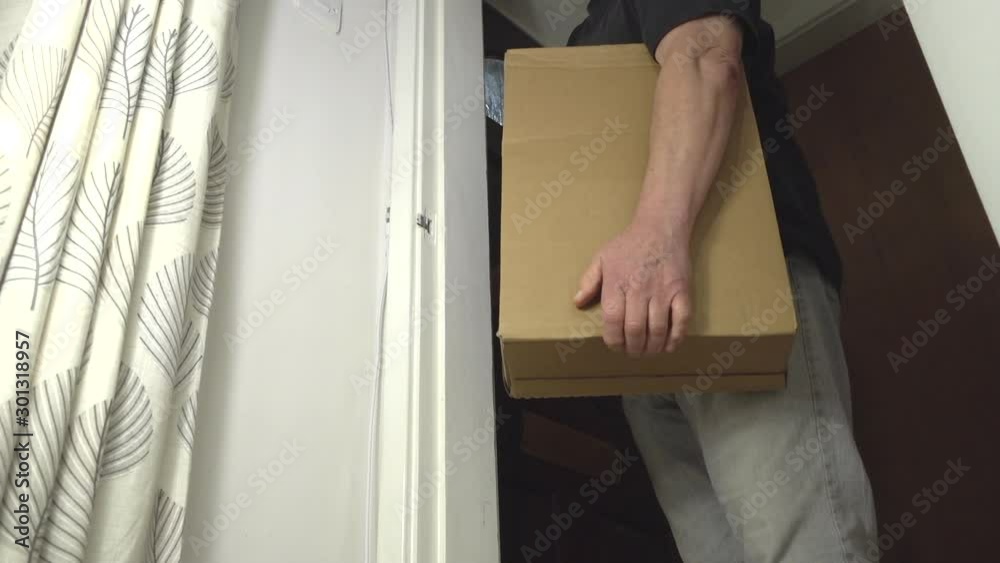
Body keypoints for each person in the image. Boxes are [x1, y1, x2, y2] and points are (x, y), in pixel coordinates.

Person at [568, 1, 879, 561]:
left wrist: (656, 238)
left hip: (740, 296)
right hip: (640, 333)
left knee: (804, 549)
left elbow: (707, 56)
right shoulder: (584, 38)